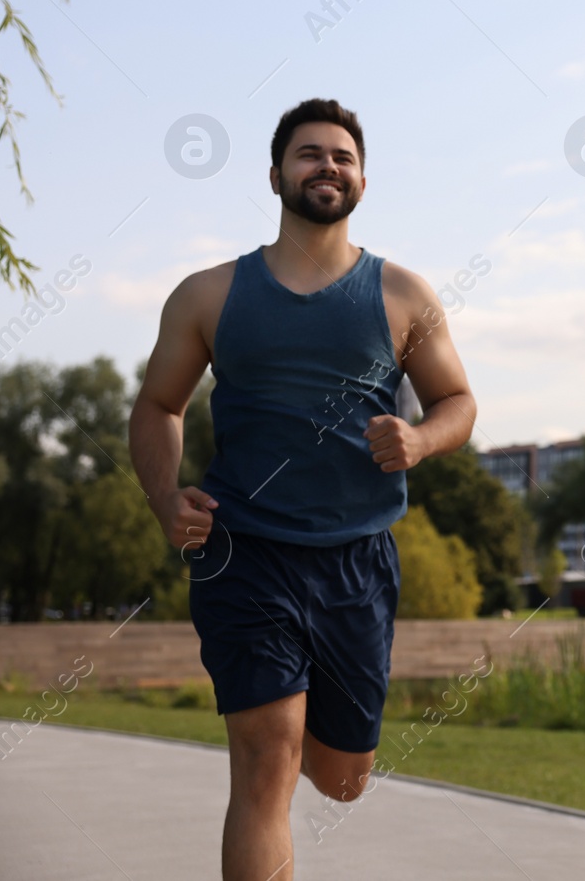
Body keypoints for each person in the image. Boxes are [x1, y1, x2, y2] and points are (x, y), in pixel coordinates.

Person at [129, 98, 477, 881]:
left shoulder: (404, 295)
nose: (327, 166)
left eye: (342, 157)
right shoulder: (209, 294)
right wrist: (164, 499)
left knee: (343, 777)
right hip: (243, 550)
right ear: (276, 173)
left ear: (362, 179)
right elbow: (158, 406)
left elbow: (459, 402)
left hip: (357, 560)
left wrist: (419, 437)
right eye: (310, 153)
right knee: (266, 760)